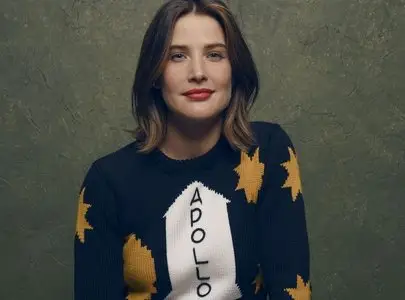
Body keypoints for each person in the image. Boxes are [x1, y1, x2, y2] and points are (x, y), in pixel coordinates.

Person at [74, 0, 311, 299]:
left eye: (214, 55)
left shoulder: (269, 153)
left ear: (234, 69)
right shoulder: (107, 182)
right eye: (177, 56)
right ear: (155, 74)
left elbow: (291, 286)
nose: (198, 72)